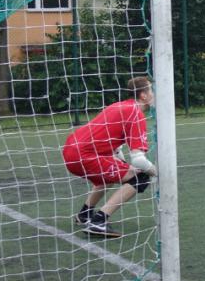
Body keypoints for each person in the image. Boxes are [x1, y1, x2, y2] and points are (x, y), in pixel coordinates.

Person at [62, 77, 157, 238]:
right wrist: (156, 172)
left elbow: (115, 146)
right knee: (140, 177)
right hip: (86, 155)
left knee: (112, 174)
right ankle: (99, 221)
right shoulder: (136, 113)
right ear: (143, 95)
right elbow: (139, 160)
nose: (154, 94)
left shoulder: (119, 106)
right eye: (152, 90)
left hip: (71, 149)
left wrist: (123, 165)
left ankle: (85, 215)